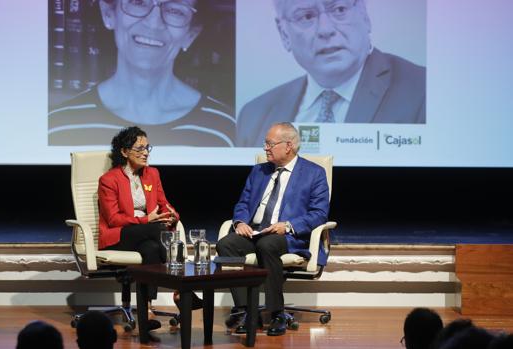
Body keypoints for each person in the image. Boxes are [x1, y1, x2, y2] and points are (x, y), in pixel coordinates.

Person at [236, 0, 426, 147]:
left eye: (339, 9)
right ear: (284, 33)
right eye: (307, 16)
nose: (325, 30)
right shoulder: (253, 116)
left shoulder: (424, 92)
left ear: (364, 15)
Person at [49, 0, 235, 147]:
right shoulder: (57, 124)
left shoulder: (227, 129)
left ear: (191, 34)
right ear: (108, 14)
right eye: (138, 2)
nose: (153, 23)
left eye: (175, 10)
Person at [216, 122, 330, 336]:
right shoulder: (259, 171)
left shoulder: (314, 173)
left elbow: (319, 214)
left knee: (268, 244)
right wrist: (240, 222)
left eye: (270, 144)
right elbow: (243, 203)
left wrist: (287, 225)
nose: (265, 148)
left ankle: (276, 313)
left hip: (288, 235)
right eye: (265, 144)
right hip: (255, 231)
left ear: (288, 146)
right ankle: (245, 311)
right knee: (226, 244)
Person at [98, 126, 200, 331]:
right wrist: (146, 220)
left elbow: (164, 203)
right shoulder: (109, 180)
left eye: (147, 148)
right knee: (156, 230)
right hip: (119, 235)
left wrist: (172, 215)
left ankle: (146, 309)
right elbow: (113, 219)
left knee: (151, 248)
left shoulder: (152, 174)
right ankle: (183, 288)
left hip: (147, 233)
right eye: (139, 148)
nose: (145, 153)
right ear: (124, 152)